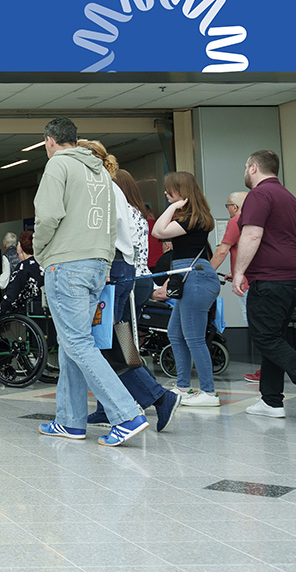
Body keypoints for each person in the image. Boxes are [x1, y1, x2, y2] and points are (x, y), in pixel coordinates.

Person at [33, 116, 146, 446]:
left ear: (50, 141)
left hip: (66, 263)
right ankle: (70, 421)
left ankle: (127, 414)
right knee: (74, 343)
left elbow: (48, 216)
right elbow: (112, 223)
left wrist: (41, 252)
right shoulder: (99, 171)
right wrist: (105, 260)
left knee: (78, 342)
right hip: (98, 263)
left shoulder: (58, 166)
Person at [82, 148, 180, 431]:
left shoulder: (107, 195)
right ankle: (108, 406)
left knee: (110, 345)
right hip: (134, 280)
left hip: (120, 281)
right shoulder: (136, 212)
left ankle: (159, 397)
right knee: (118, 343)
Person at [233, 150, 296, 418]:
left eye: (246, 166)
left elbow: (251, 234)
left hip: (269, 279)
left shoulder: (259, 195)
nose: (245, 171)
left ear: (254, 168)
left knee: (266, 337)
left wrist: (239, 272)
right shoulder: (288, 197)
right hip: (290, 279)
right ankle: (271, 401)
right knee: (276, 336)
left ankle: (271, 399)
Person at [152, 170, 220, 407]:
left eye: (169, 190)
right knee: (176, 333)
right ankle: (184, 386)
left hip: (196, 279)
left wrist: (174, 206)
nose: (165, 193)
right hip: (191, 278)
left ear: (181, 192)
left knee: (193, 337)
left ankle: (209, 393)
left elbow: (158, 231)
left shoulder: (193, 219)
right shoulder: (194, 217)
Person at [0, 231, 42, 363]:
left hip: (20, 313)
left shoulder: (22, 267)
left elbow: (10, 297)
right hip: (38, 313)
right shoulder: (44, 264)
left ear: (20, 248)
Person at [211, 191, 258, 383]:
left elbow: (222, 251)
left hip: (247, 286)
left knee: (256, 328)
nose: (228, 208)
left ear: (235, 208)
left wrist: (206, 271)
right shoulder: (255, 221)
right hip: (255, 279)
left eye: (228, 205)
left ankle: (266, 372)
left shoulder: (236, 221)